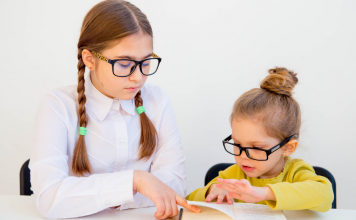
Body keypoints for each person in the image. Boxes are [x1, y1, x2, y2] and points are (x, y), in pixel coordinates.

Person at [29, 0, 201, 219]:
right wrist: (136, 181)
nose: (138, 77)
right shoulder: (57, 107)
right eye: (123, 64)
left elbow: (174, 186)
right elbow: (50, 199)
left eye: (146, 62)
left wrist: (89, 197)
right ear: (89, 59)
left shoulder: (157, 100)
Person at [186, 67, 334, 212]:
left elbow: (325, 195)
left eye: (256, 148)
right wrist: (210, 190)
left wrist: (265, 193)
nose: (243, 156)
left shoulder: (296, 173)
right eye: (237, 144)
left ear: (287, 147)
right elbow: (188, 202)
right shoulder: (233, 175)